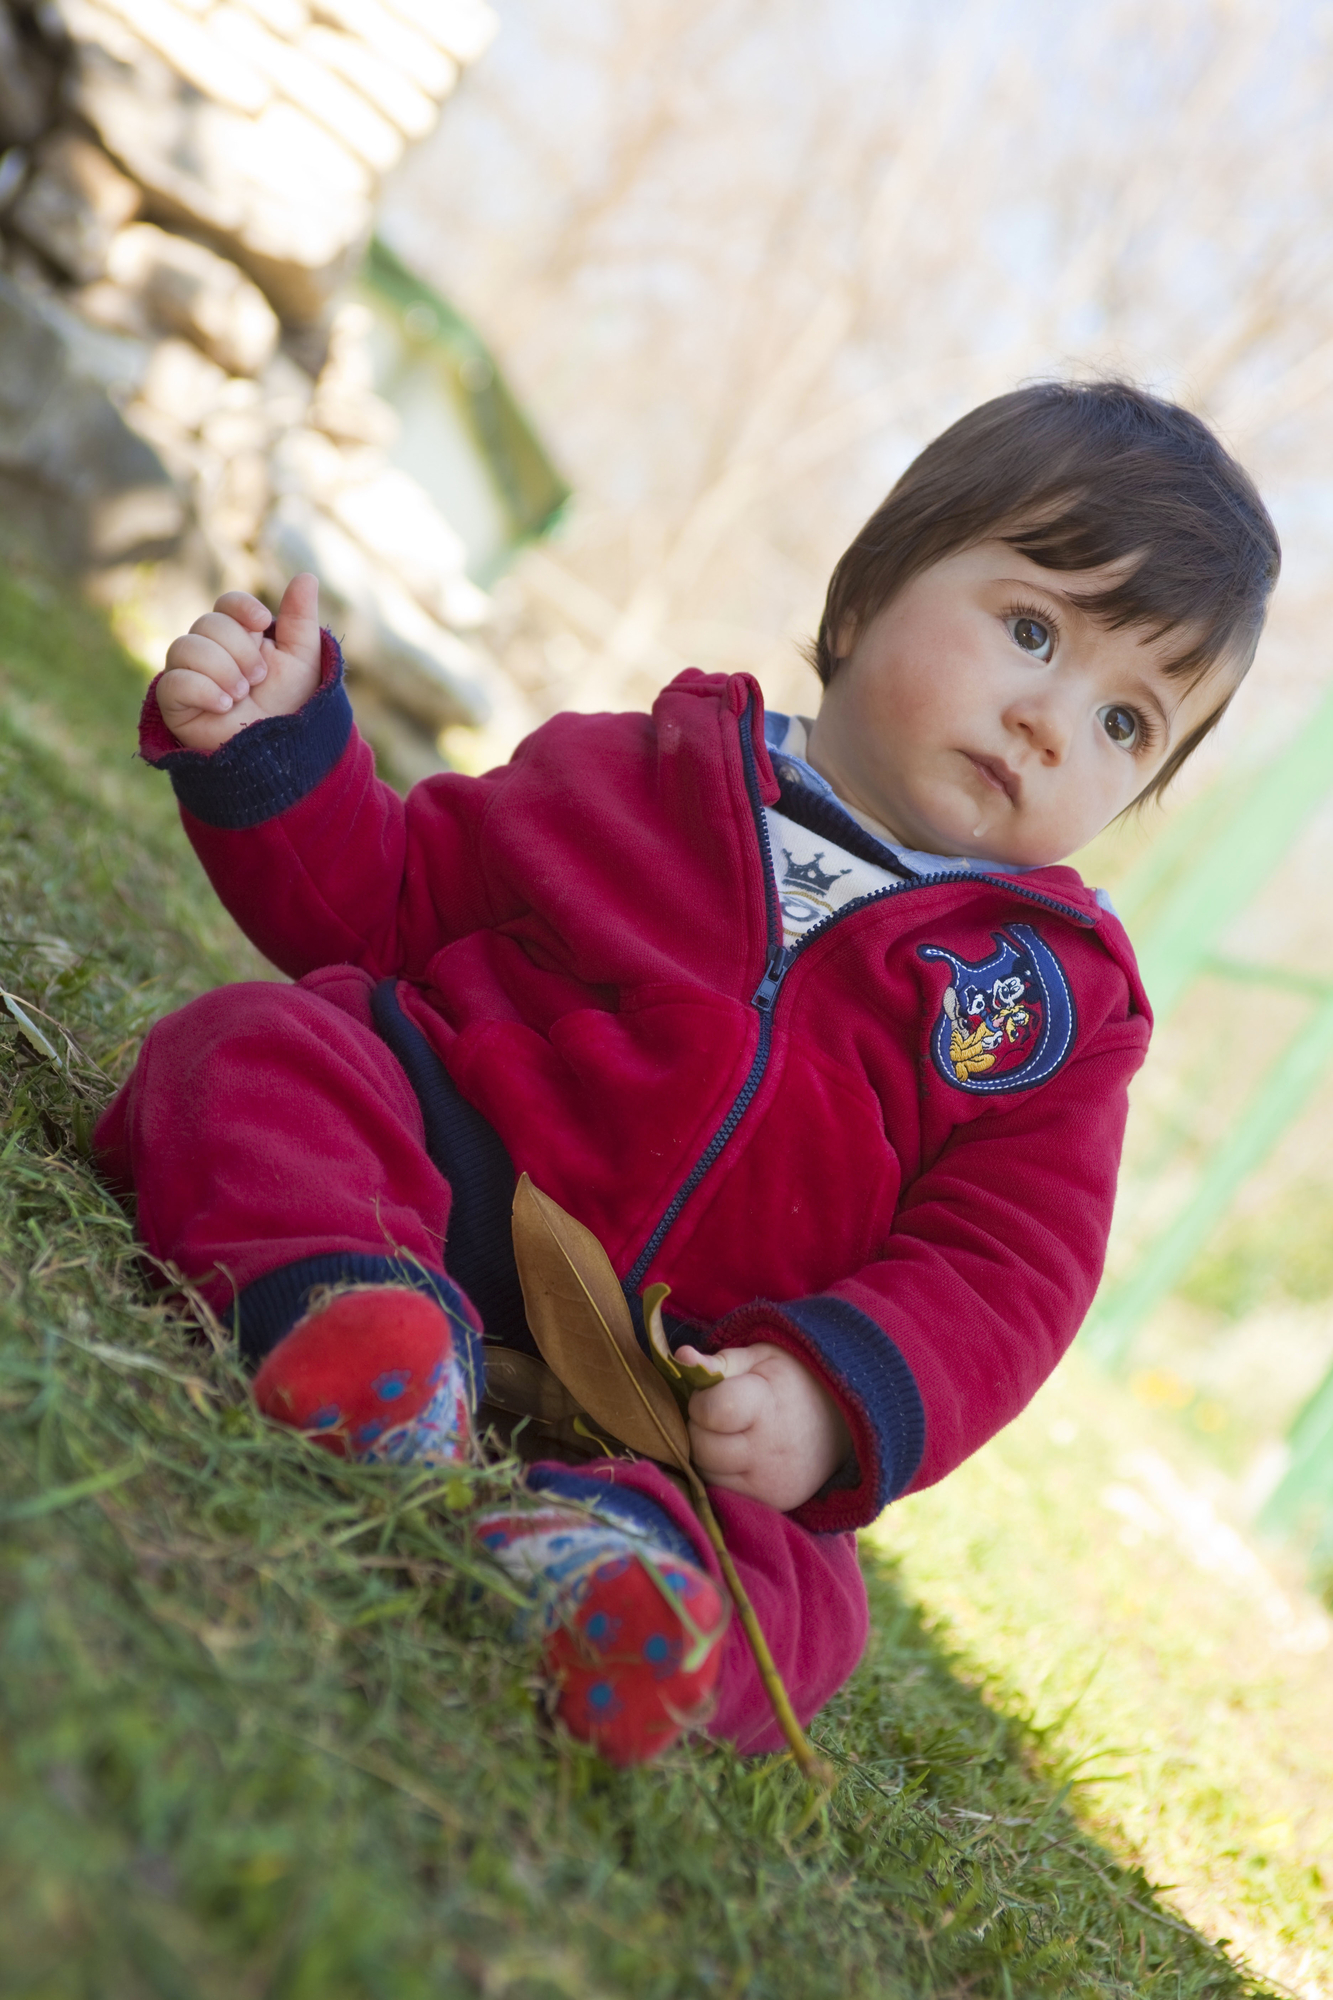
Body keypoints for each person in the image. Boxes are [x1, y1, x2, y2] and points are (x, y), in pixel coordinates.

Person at [95, 381, 1279, 1767]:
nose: (1049, 723)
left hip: (699, 1381)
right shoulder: (637, 770)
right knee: (253, 1050)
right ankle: (351, 1324)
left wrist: (833, 1397)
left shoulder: (1055, 1007)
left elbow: (1008, 1265)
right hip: (457, 1176)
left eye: (1126, 724)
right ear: (862, 602)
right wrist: (279, 749)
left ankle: (614, 1576)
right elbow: (394, 902)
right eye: (1031, 631)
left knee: (815, 1597)